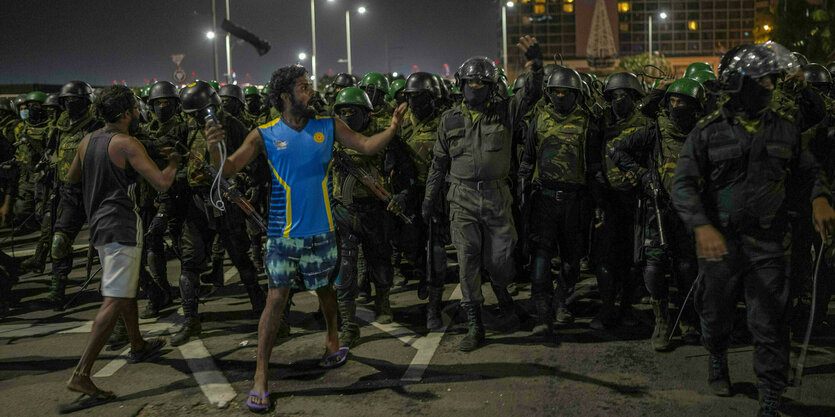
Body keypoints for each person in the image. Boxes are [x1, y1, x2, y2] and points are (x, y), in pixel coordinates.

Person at [205, 64, 406, 412]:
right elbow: (227, 170)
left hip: (322, 231)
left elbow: (367, 146)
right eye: (303, 87)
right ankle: (261, 376)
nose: (311, 91)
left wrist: (392, 127)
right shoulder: (264, 134)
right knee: (276, 299)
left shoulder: (328, 127)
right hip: (282, 236)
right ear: (285, 96)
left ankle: (332, 340)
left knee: (326, 288)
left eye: (310, 85)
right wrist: (214, 149)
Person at [672, 42, 835, 416]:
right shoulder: (708, 132)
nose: (770, 87)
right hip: (720, 245)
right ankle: (717, 356)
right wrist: (701, 227)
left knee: (770, 323)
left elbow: (809, 171)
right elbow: (682, 185)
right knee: (715, 316)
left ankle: (770, 398)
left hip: (768, 242)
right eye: (763, 82)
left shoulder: (783, 127)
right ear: (739, 84)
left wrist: (820, 199)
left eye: (771, 81)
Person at [58, 85, 180, 414]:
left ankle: (137, 343)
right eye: (136, 108)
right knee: (114, 300)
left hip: (98, 227)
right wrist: (173, 162)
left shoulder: (87, 141)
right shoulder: (127, 143)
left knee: (124, 291)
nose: (140, 112)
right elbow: (162, 182)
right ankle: (83, 372)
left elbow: (71, 179)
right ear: (126, 114)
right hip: (120, 227)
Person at [423, 35, 543, 352]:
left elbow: (532, 93)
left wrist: (535, 63)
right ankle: (476, 326)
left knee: (502, 262)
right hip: (461, 198)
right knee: (467, 262)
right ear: (461, 85)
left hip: (496, 197)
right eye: (470, 83)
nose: (475, 88)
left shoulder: (506, 113)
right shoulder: (449, 120)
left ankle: (501, 289)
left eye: (482, 83)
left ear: (491, 87)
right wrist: (429, 198)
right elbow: (438, 164)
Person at [609, 78, 706, 351]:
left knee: (687, 268)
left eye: (682, 102)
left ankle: (688, 320)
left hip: (689, 212)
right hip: (658, 210)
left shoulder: (702, 135)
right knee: (654, 267)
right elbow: (616, 149)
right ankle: (661, 322)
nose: (676, 106)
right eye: (672, 101)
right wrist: (642, 176)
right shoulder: (655, 131)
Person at [518, 66, 602, 341]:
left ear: (577, 94)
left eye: (566, 92)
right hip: (544, 200)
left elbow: (594, 167)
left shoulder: (588, 122)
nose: (561, 96)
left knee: (571, 263)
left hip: (575, 202)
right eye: (556, 92)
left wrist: (597, 203)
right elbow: (528, 159)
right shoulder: (539, 120)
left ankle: (560, 300)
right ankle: (542, 311)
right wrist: (522, 190)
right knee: (541, 259)